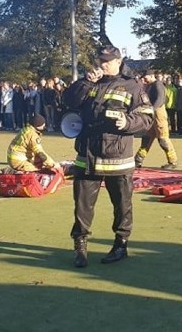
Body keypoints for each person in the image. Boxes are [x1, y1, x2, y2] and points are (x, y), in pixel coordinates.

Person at [62, 45, 154, 268]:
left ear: (118, 60)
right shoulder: (91, 81)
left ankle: (120, 245)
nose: (102, 65)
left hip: (118, 158)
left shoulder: (133, 86)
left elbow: (147, 118)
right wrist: (85, 82)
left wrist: (128, 123)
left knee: (122, 205)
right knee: (82, 206)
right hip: (88, 155)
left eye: (107, 61)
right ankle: (80, 246)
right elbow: (69, 101)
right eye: (100, 60)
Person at [135, 69, 179, 169]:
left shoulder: (158, 85)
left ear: (151, 76)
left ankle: (173, 161)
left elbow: (160, 99)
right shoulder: (149, 86)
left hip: (159, 114)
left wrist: (152, 108)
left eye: (145, 77)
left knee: (163, 139)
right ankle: (138, 160)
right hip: (151, 114)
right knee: (146, 138)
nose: (144, 79)